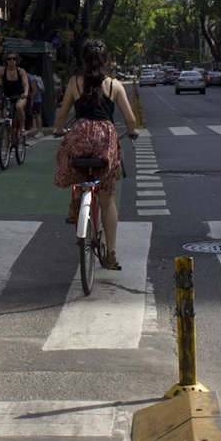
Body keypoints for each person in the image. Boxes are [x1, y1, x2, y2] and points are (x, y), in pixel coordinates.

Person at [52, 39, 138, 272]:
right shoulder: (114, 85)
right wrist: (132, 132)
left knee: (68, 159)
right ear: (106, 60)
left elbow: (61, 117)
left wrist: (59, 130)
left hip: (78, 138)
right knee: (107, 199)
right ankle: (110, 254)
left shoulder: (74, 83)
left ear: (82, 59)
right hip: (105, 141)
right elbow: (130, 120)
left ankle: (76, 198)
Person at [0, 51, 29, 129]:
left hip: (19, 95)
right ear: (6, 60)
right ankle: (6, 137)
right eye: (9, 59)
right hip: (7, 96)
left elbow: (25, 83)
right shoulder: (2, 70)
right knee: (6, 115)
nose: (11, 61)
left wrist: (25, 93)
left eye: (14, 59)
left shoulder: (21, 71)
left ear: (17, 60)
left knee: (19, 106)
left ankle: (22, 126)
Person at [28, 68, 45, 137]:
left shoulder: (31, 78)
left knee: (37, 114)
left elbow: (34, 90)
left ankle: (40, 131)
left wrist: (31, 98)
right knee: (33, 115)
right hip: (35, 99)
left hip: (36, 100)